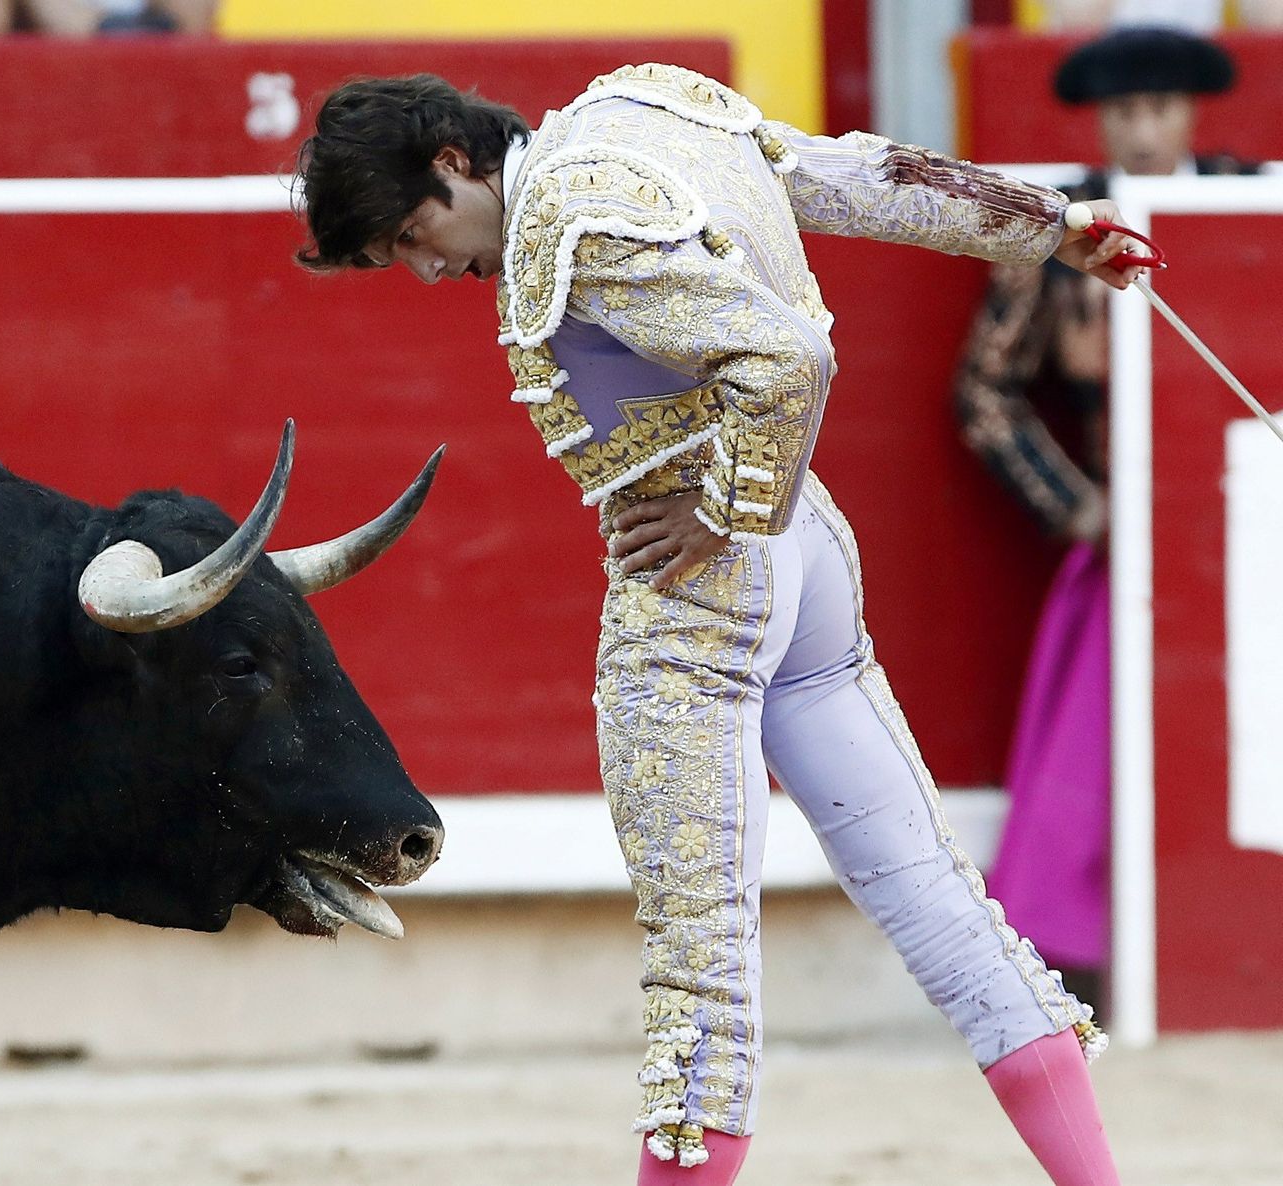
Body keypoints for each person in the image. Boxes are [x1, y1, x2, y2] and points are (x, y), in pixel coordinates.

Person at [293, 63, 1131, 1185]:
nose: (430, 267)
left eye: (414, 230)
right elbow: (855, 174)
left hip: (700, 585)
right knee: (934, 893)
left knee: (700, 975)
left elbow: (788, 357)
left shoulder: (570, 219)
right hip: (809, 557)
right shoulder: (640, 107)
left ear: (454, 159)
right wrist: (1048, 226)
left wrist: (718, 509)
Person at [956, 25, 1256, 1010]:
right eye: (1122, 111)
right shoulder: (1061, 237)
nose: (1140, 128)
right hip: (1129, 540)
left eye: (1156, 108)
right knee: (1094, 753)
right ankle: (1081, 966)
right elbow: (983, 395)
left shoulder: (1255, 200)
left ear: (1189, 111)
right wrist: (1076, 506)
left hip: (1262, 528)